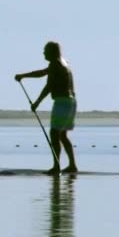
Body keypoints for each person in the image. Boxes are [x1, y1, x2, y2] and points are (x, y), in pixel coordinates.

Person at [15, 41, 78, 175]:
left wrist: (37, 102)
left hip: (62, 102)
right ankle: (72, 165)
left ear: (52, 52)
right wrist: (23, 76)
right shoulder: (63, 62)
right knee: (62, 135)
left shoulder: (56, 64)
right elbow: (42, 73)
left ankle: (56, 167)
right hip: (71, 102)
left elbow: (49, 86)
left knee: (54, 134)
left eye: (45, 50)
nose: (43, 53)